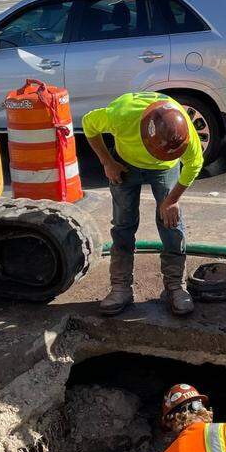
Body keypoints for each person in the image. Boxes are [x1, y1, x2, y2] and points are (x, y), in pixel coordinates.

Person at [83, 93, 204, 317]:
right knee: (123, 225)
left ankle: (175, 286)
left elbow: (194, 165)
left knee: (171, 224)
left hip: (164, 169)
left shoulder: (183, 130)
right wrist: (107, 162)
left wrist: (172, 200)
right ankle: (120, 287)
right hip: (124, 163)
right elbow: (88, 125)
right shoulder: (120, 115)